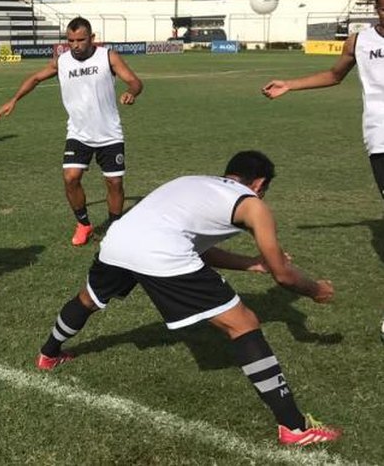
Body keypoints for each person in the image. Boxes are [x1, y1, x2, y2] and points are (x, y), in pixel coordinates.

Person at [34, 151, 341, 446]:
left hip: (117, 241)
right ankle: (294, 427)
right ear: (259, 184)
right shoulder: (252, 204)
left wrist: (251, 263)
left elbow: (194, 245)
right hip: (160, 252)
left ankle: (48, 354)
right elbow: (283, 274)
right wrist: (316, 291)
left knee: (88, 299)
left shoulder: (194, 182)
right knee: (243, 324)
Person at [0, 17, 143, 246]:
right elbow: (35, 78)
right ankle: (84, 224)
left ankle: (115, 225)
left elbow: (135, 81)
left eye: (81, 40)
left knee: (114, 182)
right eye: (71, 40)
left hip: (109, 133)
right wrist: (13, 100)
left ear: (92, 38)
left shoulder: (108, 56)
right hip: (78, 133)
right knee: (70, 178)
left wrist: (132, 92)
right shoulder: (61, 62)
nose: (75, 45)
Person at [263, 0, 384, 201]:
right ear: (377, 9)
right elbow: (334, 75)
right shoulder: (358, 42)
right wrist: (290, 85)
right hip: (379, 133)